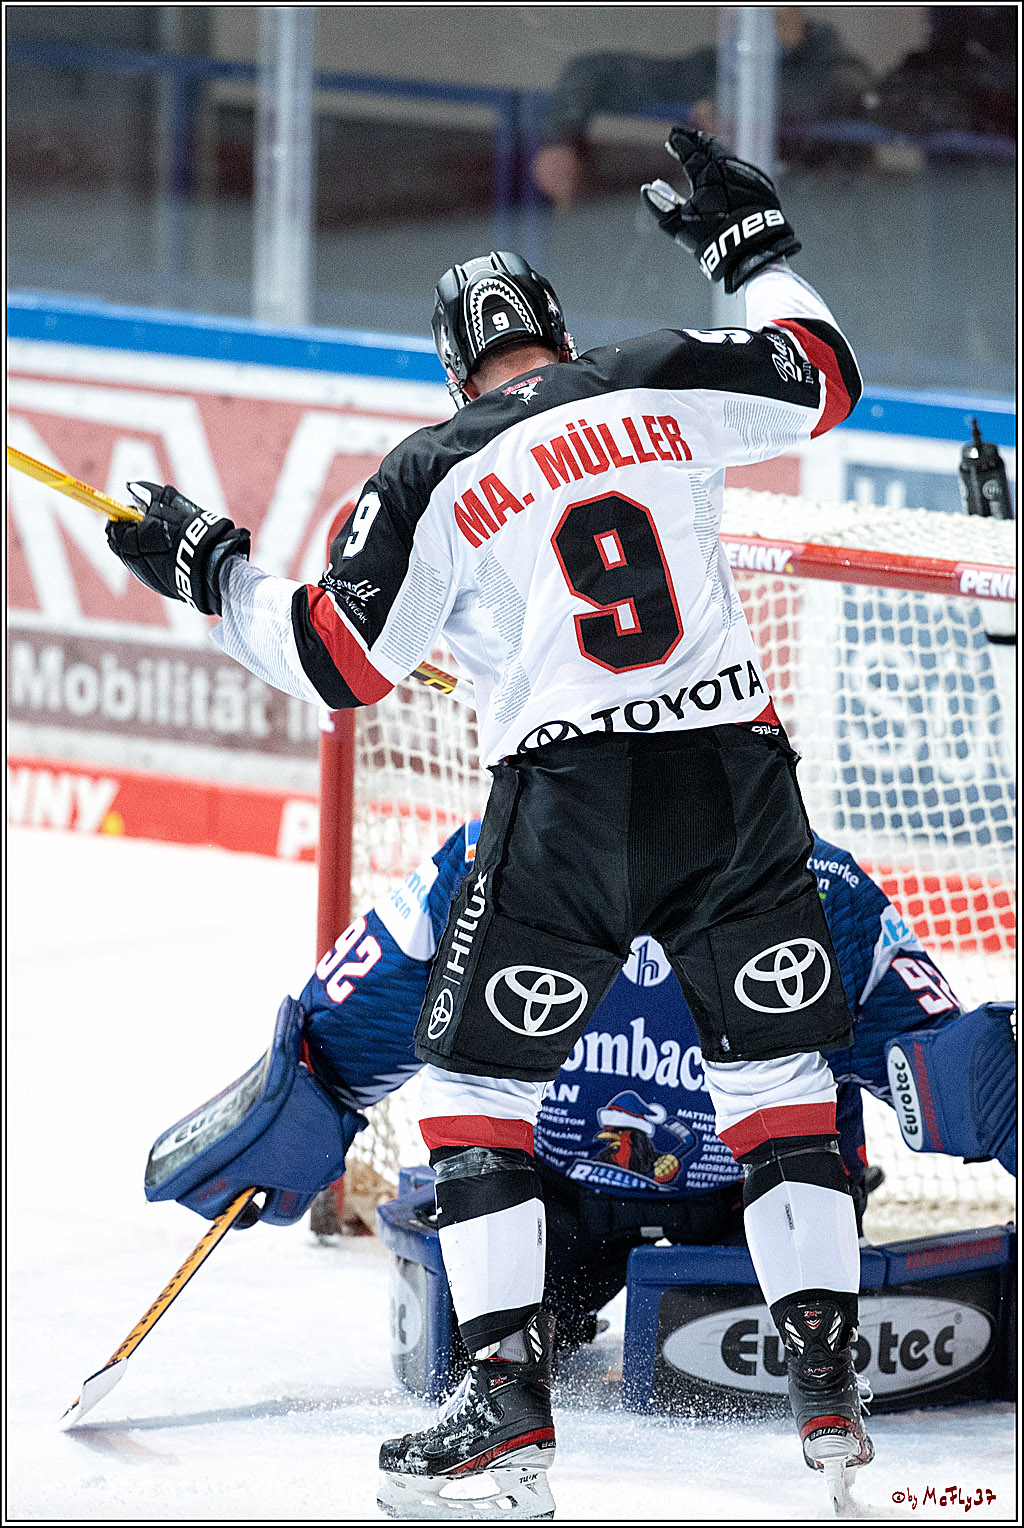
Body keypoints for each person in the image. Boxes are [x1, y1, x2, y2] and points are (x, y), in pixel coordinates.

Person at [107, 127, 871, 1519]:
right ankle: (829, 1398)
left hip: (571, 802)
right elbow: (826, 381)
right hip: (735, 777)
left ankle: (506, 1411)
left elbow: (341, 663)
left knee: (474, 1090)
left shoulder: (435, 465)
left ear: (455, 370)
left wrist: (212, 571)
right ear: (560, 337)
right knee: (776, 1081)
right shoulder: (652, 372)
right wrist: (752, 255)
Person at [146, 817, 1014, 1370]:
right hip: (549, 1200)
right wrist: (287, 1120)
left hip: (751, 1211)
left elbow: (956, 1077)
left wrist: (993, 1092)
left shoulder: (813, 894)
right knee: (462, 1348)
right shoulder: (482, 871)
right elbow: (336, 1040)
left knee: (774, 1356)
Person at [533, 8, 873, 208]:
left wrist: (733, 107)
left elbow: (836, 92)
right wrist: (559, 140)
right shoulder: (716, 73)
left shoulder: (838, 72)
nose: (758, 24)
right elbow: (596, 71)